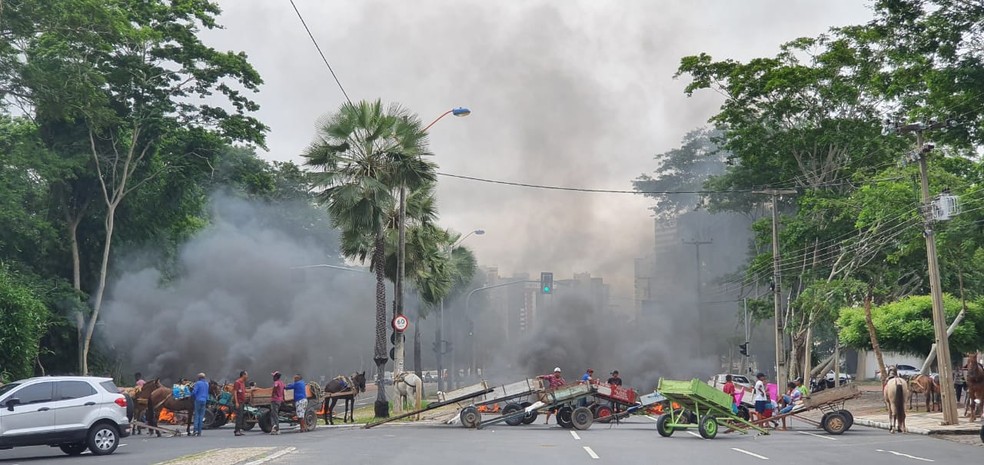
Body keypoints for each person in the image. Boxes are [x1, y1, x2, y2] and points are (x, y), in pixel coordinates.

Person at [233, 370, 249, 436]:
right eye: (246, 375)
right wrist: (236, 402)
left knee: (241, 416)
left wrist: (253, 390)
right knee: (239, 416)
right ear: (243, 375)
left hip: (242, 402)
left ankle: (238, 430)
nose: (247, 376)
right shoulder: (237, 382)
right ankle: (237, 431)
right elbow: (235, 392)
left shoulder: (243, 383)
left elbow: (245, 391)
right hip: (238, 402)